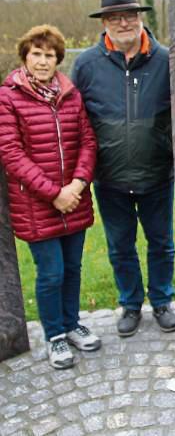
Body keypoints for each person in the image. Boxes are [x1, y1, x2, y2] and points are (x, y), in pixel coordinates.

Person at [72, 0, 175, 337]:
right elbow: (75, 119)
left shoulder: (168, 59)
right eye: (115, 17)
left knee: (161, 243)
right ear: (104, 23)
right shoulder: (86, 64)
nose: (123, 22)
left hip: (158, 174)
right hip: (110, 177)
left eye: (130, 15)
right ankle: (130, 304)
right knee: (120, 246)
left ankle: (161, 301)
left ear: (140, 18)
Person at [0, 25, 100, 369]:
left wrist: (77, 184)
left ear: (58, 59)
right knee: (51, 272)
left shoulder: (71, 95)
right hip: (36, 204)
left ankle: (72, 324)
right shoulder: (8, 97)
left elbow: (88, 141)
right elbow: (11, 152)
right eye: (36, 54)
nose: (43, 61)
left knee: (73, 269)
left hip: (74, 198)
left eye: (50, 55)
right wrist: (53, 193)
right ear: (25, 57)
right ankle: (55, 336)